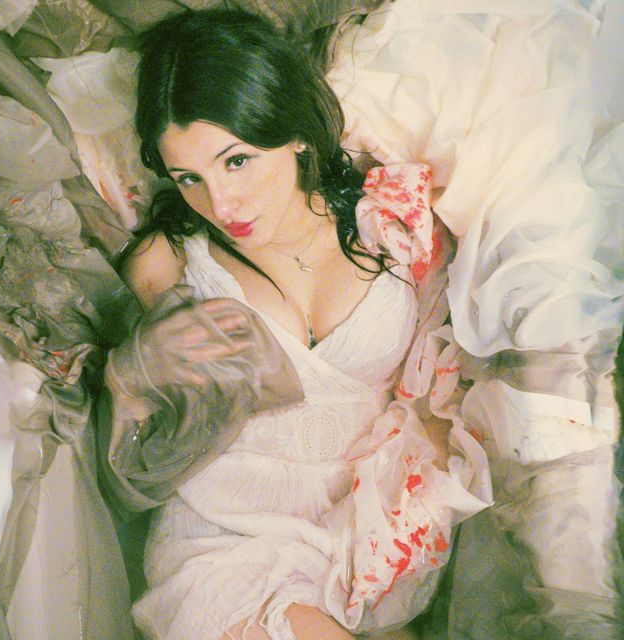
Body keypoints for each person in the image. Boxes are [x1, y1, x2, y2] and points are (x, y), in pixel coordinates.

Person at [102, 8, 491, 640]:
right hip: (223, 537)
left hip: (361, 530)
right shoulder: (166, 262)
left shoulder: (389, 225)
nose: (220, 204)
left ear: (297, 136)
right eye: (189, 178)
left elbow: (444, 375)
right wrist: (145, 370)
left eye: (236, 161)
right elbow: (137, 444)